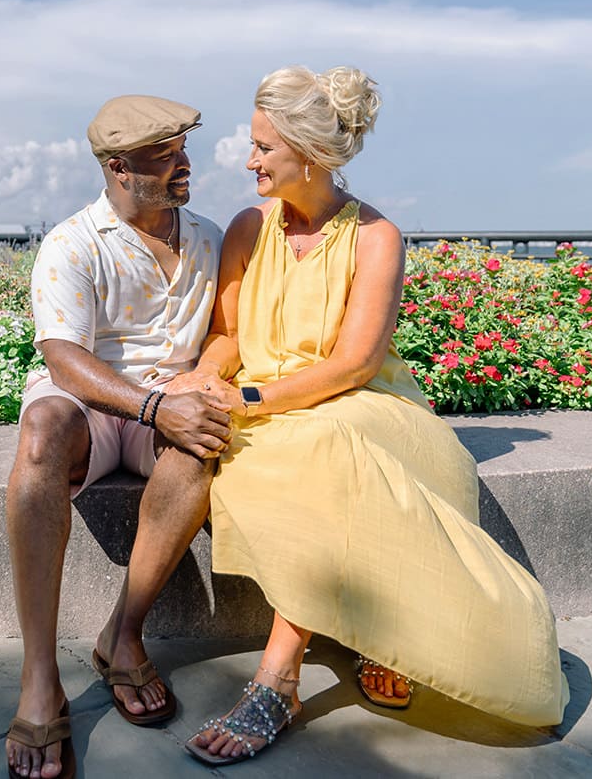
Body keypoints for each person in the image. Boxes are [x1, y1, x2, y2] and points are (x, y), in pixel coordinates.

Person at [181, 66, 570, 765]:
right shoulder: (248, 227)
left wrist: (248, 400)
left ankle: (278, 678)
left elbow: (354, 366)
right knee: (302, 449)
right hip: (271, 404)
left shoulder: (376, 236)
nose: (249, 161)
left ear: (310, 153)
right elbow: (230, 335)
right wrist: (204, 379)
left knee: (328, 445)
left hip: (362, 404)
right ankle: (378, 632)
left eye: (264, 147)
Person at [4, 95, 230, 779]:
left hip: (173, 401)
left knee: (198, 448)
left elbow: (228, 330)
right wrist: (154, 406)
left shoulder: (211, 237)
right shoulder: (73, 243)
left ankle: (121, 637)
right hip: (94, 403)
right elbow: (63, 360)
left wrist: (194, 389)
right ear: (118, 168)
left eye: (183, 150)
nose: (184, 164)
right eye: (165, 157)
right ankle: (39, 677)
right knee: (41, 430)